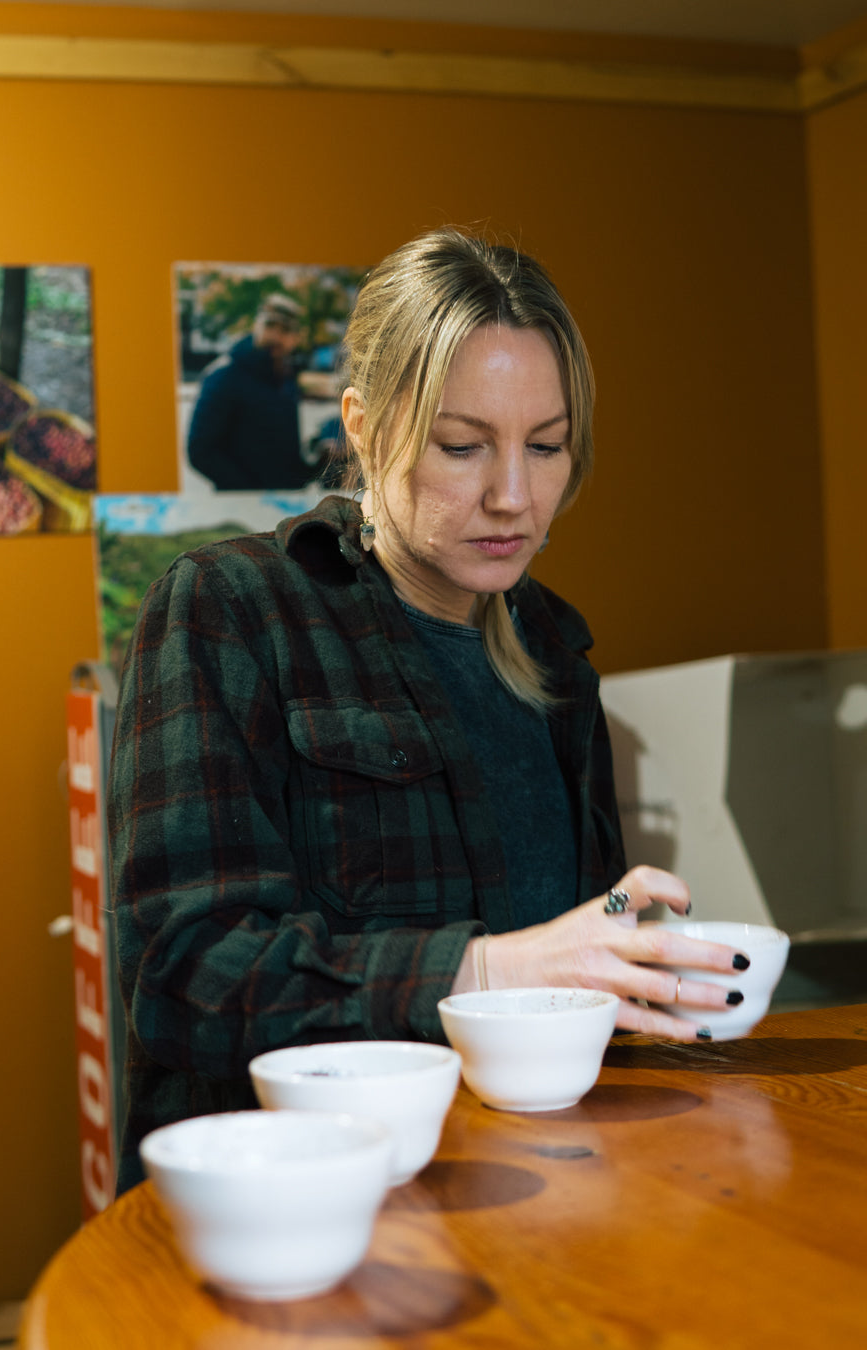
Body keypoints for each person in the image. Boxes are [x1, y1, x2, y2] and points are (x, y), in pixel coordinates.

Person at [108, 227, 750, 1195]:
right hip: (296, 1215)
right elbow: (184, 977)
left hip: (535, 1197)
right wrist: (493, 969)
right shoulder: (233, 611)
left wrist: (622, 966)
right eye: (462, 446)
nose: (513, 495)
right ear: (364, 428)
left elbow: (554, 973)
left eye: (547, 446)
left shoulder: (554, 655)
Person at [186, 292, 321, 490]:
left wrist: (317, 463)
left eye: (285, 330)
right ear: (255, 325)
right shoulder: (224, 375)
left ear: (295, 338)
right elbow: (200, 451)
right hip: (242, 508)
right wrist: (250, 490)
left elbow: (284, 456)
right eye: (269, 326)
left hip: (283, 506)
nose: (275, 336)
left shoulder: (285, 377)